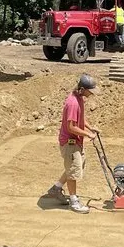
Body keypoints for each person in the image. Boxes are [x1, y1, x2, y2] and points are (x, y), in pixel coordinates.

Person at [45, 74, 99, 214]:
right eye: (90, 91)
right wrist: (88, 134)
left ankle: (56, 188)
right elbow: (71, 127)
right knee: (73, 172)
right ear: (82, 89)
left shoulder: (79, 98)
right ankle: (74, 202)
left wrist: (90, 128)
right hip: (70, 143)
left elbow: (80, 118)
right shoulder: (73, 103)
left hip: (75, 142)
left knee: (76, 166)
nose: (91, 94)